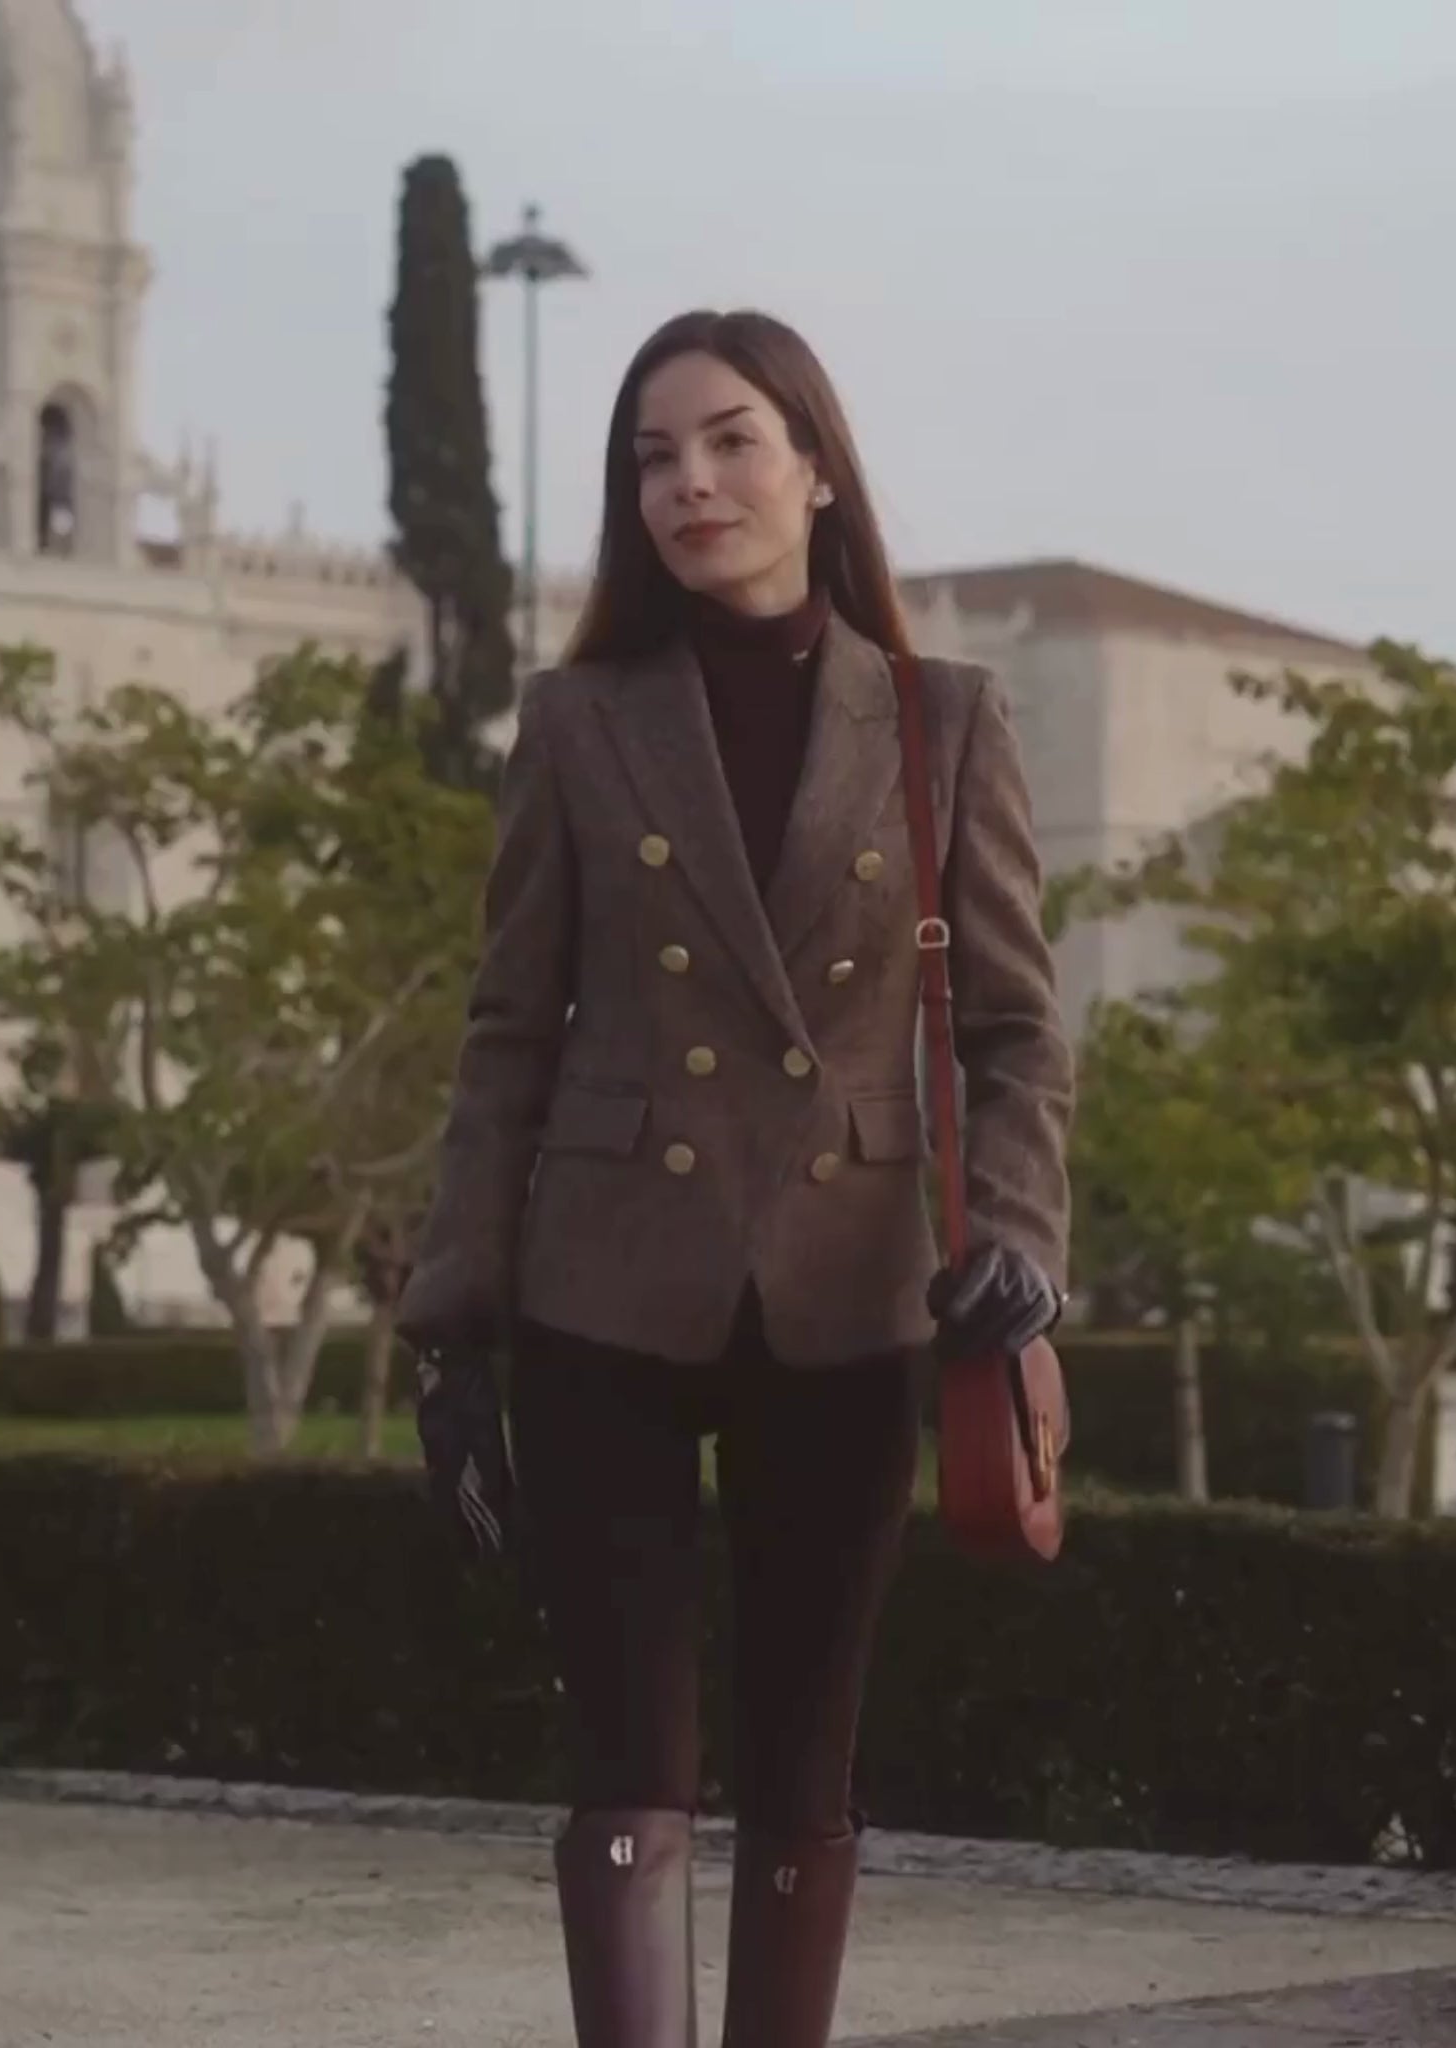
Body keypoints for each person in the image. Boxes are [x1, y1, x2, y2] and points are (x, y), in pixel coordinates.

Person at [399, 308, 1073, 2048]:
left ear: (816, 470)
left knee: (802, 1756)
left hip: (849, 1297)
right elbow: (507, 1036)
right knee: (633, 1757)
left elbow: (1015, 1029)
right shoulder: (578, 721)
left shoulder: (938, 721)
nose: (688, 484)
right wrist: (451, 1321)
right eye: (653, 458)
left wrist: (1017, 1238)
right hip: (603, 1293)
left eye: (727, 443)